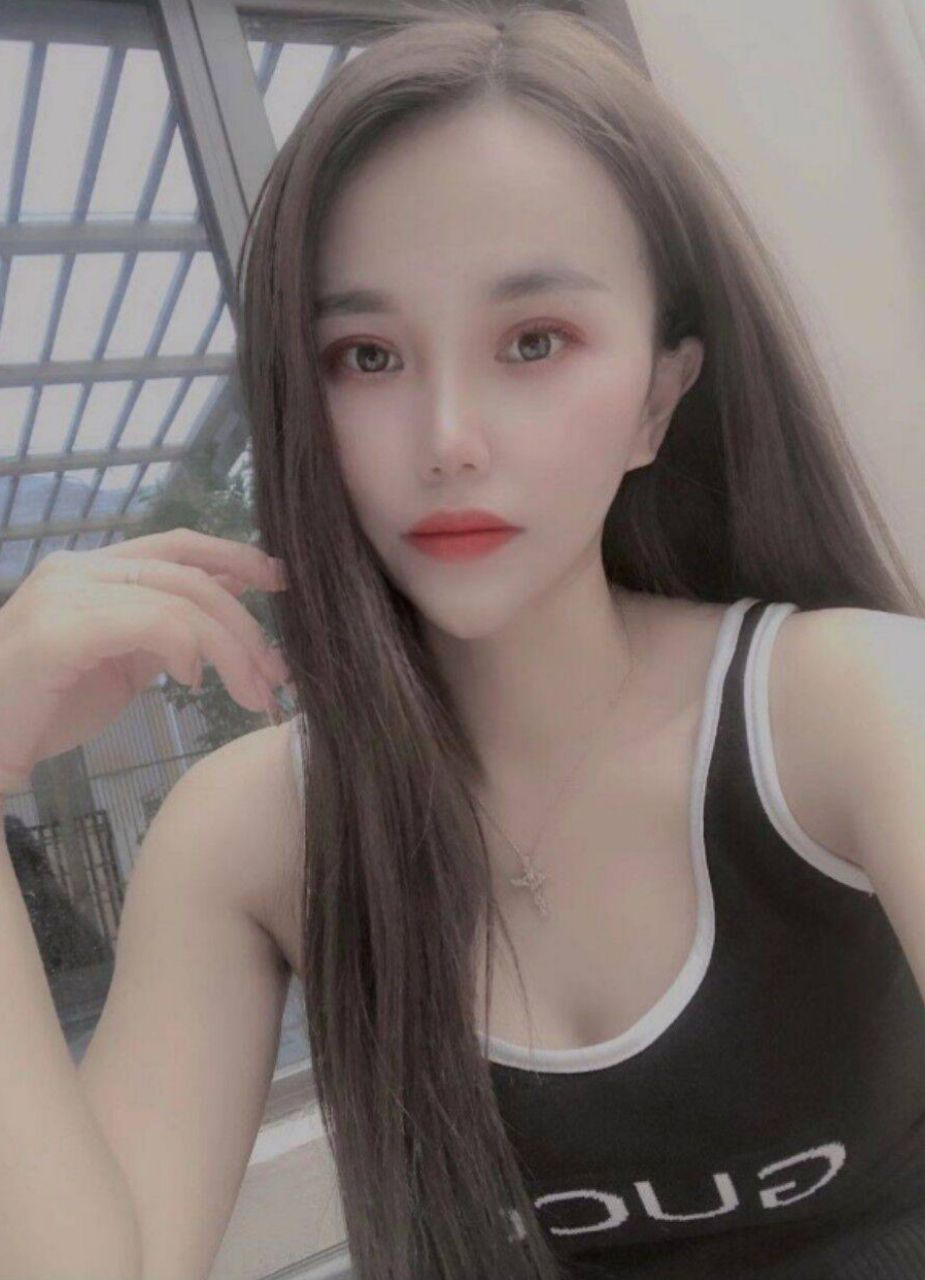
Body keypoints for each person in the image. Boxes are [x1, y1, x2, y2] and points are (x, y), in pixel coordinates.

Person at [0, 4, 923, 1278]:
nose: (447, 437)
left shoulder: (851, 707)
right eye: (366, 354)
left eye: (533, 341)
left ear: (659, 396)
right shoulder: (252, 835)